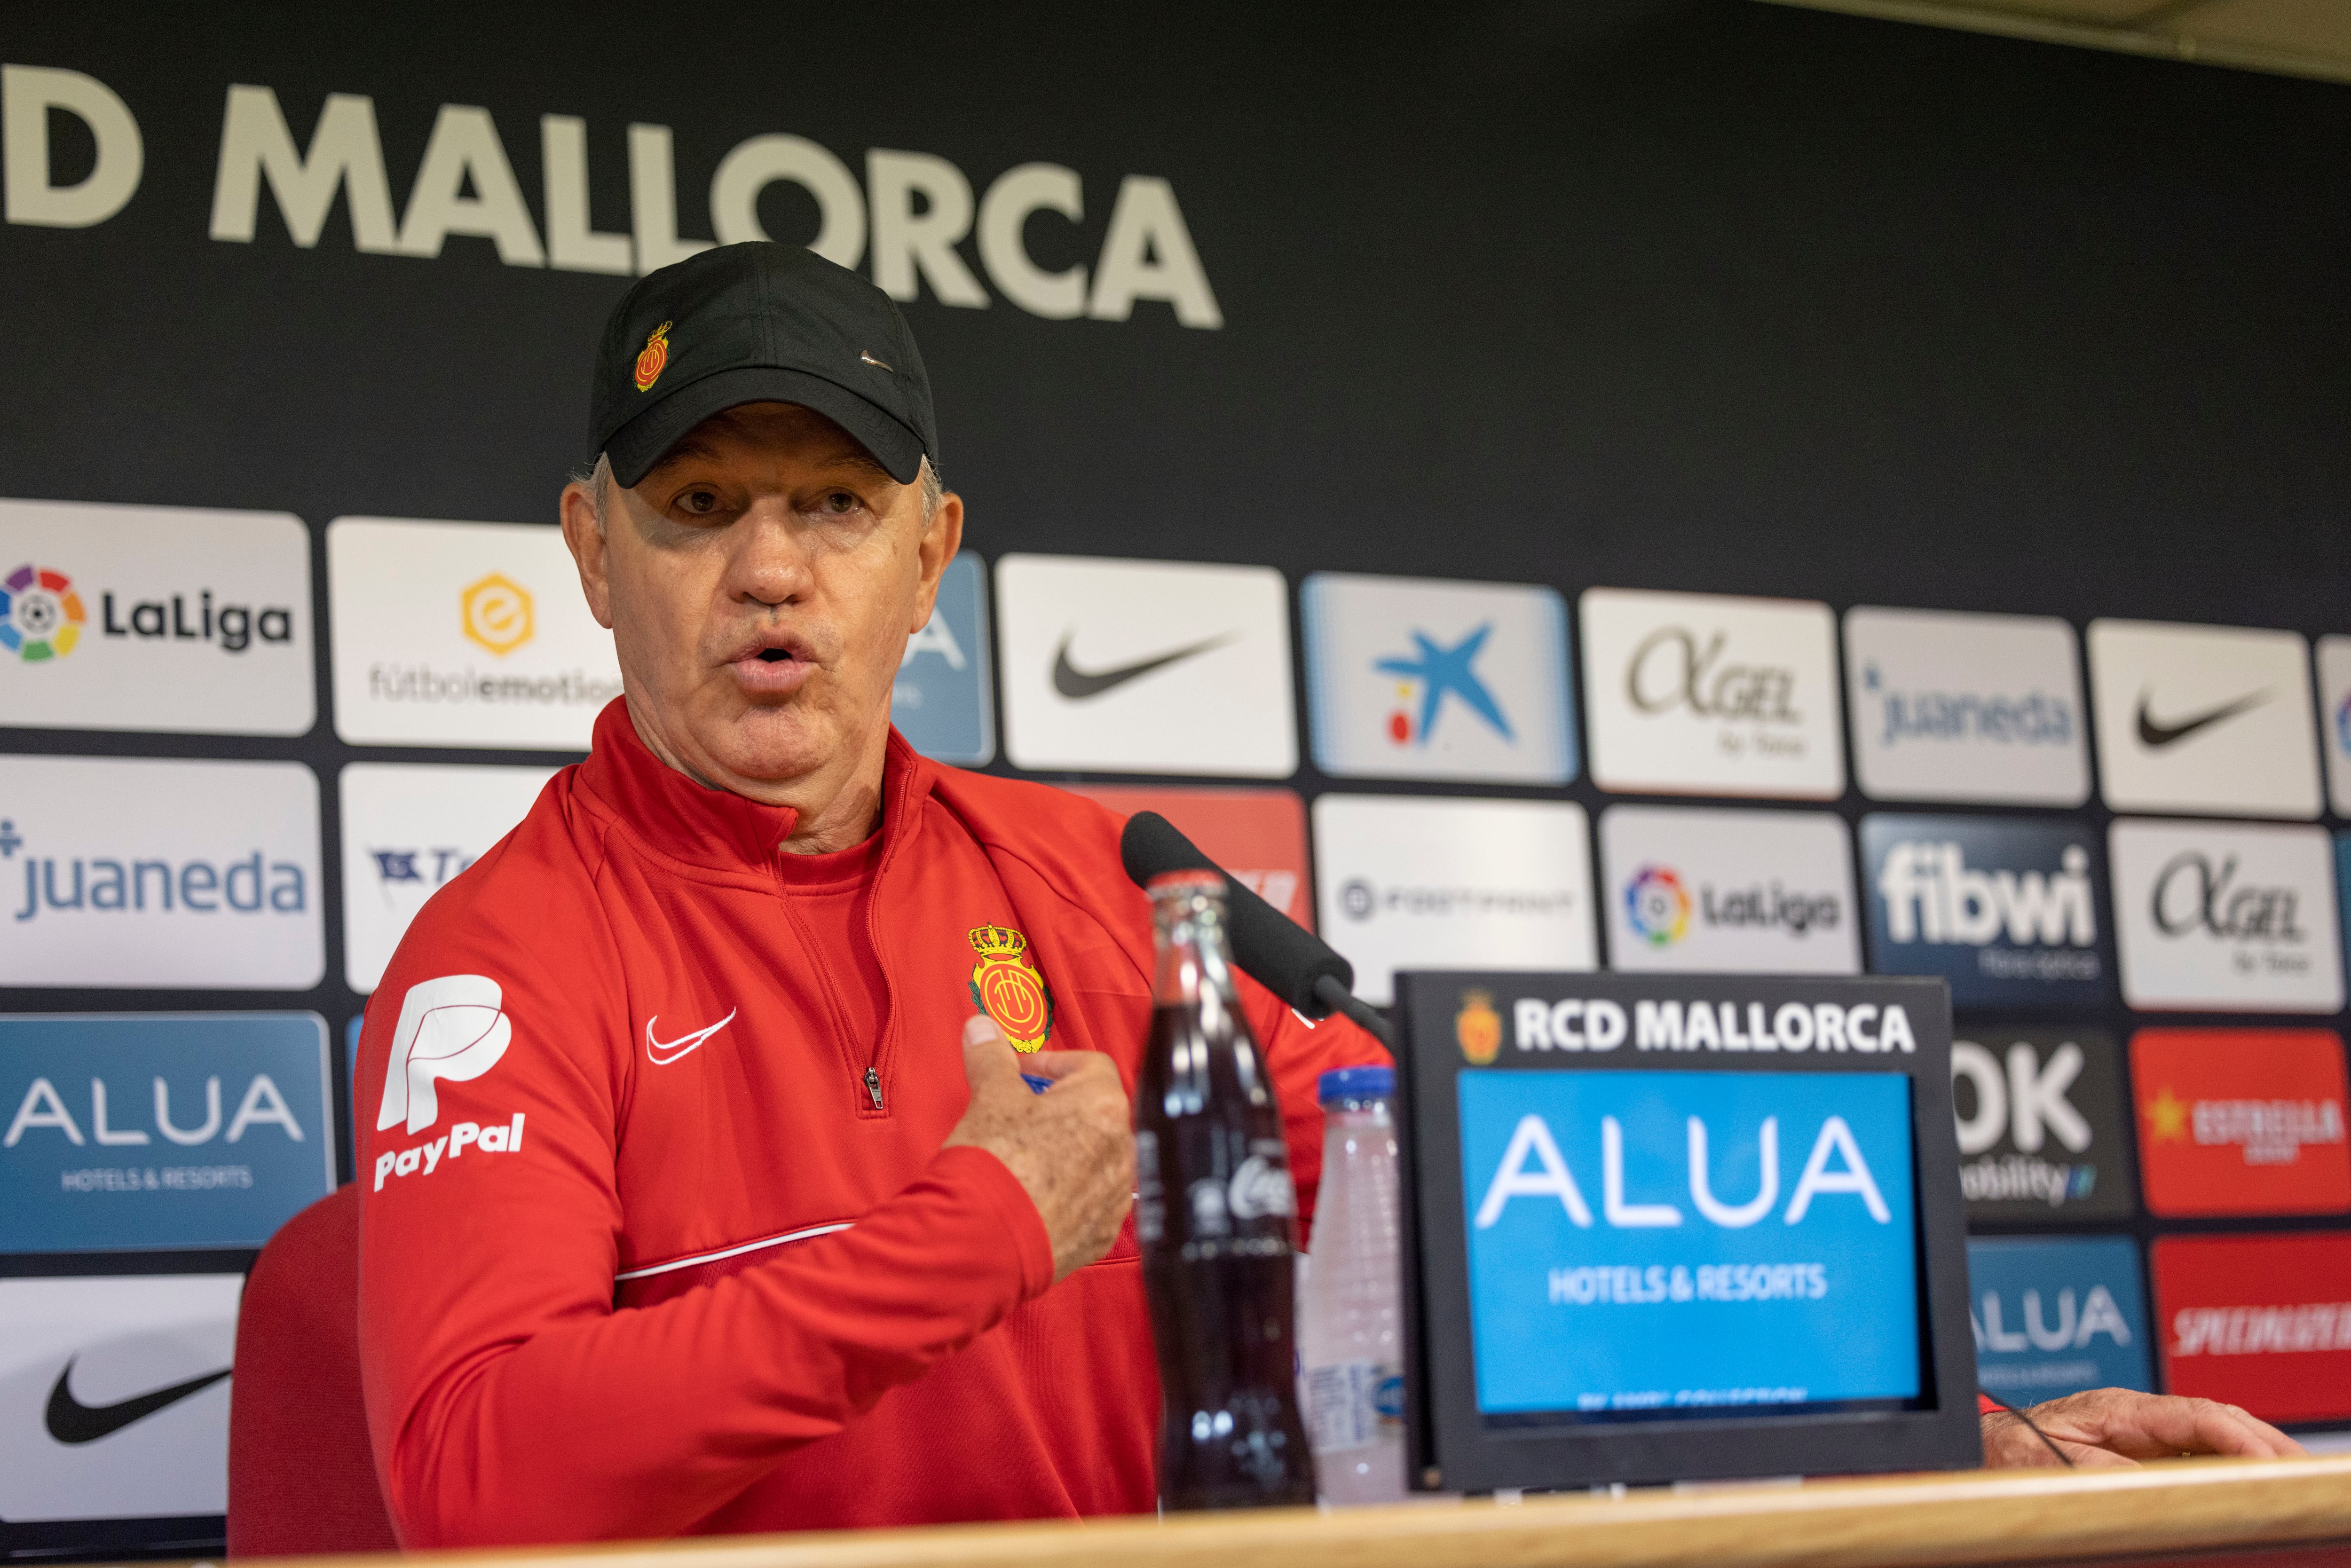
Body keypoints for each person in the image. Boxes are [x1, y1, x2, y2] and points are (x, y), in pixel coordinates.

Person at [354, 243, 2301, 1550]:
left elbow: (1461, 1215)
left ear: (927, 557)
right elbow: (464, 1474)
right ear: (591, 555)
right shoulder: (506, 954)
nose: (769, 570)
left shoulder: (1097, 882)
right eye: (698, 508)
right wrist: (978, 1235)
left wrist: (1962, 1428)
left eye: (833, 507)